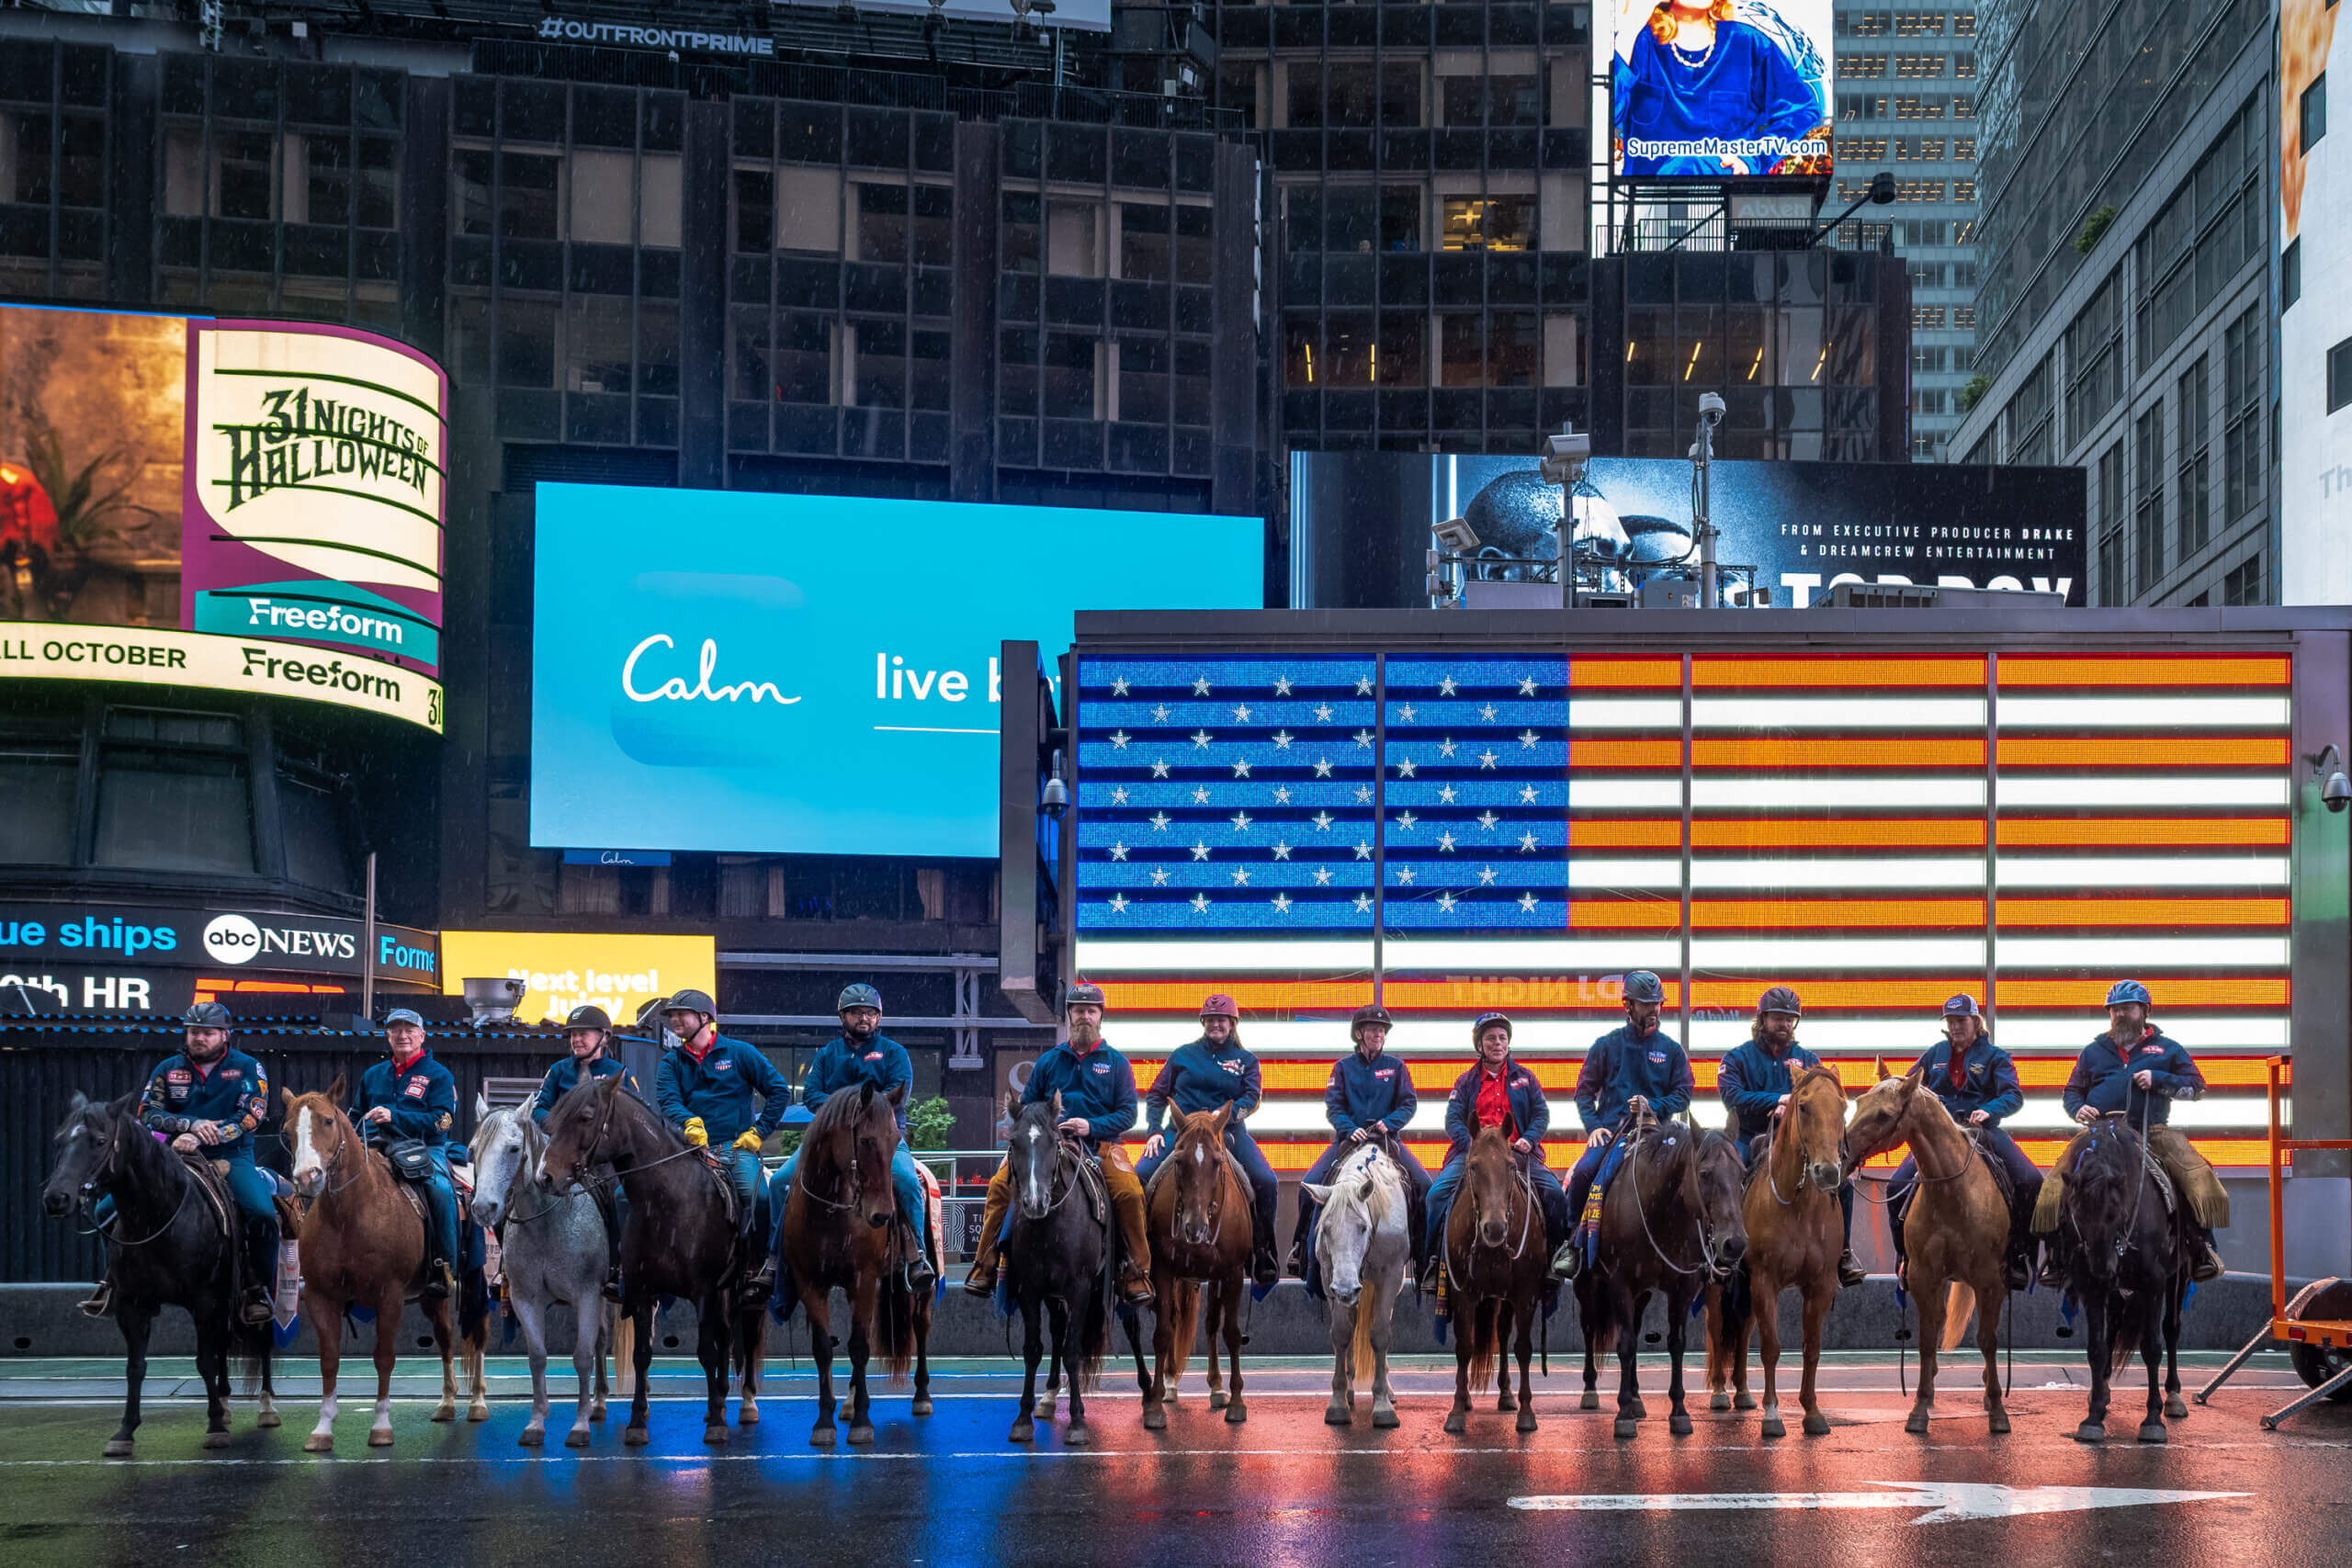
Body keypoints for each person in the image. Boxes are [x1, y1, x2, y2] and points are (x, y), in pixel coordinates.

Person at [81, 1003, 279, 1325]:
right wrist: (189, 1125)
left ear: (225, 1035)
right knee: (105, 1212)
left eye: (207, 1032)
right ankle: (116, 1281)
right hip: (173, 1154)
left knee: (262, 1214)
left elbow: (251, 1116)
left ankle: (257, 1288)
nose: (199, 1038)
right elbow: (148, 1112)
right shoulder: (168, 1069)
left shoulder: (247, 1067)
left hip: (230, 1156)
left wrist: (204, 1136)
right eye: (193, 1031)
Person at [963, 982, 1155, 1308]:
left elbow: (1128, 1114)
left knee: (1130, 1192)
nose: (1084, 1016)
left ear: (1100, 1017)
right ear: (1068, 1016)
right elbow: (1026, 1109)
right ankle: (985, 1264)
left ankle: (1136, 1271)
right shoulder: (1049, 1062)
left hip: (1103, 1146)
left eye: (1091, 1011)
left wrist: (1090, 1125)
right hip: (1050, 1146)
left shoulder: (1117, 1063)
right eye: (1078, 1010)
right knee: (998, 1186)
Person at [2036, 980, 2229, 1284]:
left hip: (2151, 1130)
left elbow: (2196, 1088)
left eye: (2127, 1009)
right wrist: (2078, 1109)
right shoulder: (2093, 1051)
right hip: (2099, 1133)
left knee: (2197, 1174)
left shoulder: (2168, 1049)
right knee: (2052, 1185)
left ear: (2144, 1011)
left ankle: (2202, 1248)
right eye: (2114, 1010)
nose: (2120, 1015)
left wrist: (2160, 1078)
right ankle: (2057, 1258)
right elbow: (2072, 1092)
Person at [768, 984, 935, 1291]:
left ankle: (916, 1255)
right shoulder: (827, 1054)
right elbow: (812, 1095)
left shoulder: (894, 1053)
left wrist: (858, 1110)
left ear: (879, 1017)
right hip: (831, 1137)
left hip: (880, 1139)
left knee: (908, 1182)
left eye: (870, 1013)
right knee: (780, 1182)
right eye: (857, 1012)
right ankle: (774, 1257)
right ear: (843, 1016)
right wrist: (843, 1112)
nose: (864, 1018)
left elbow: (898, 1092)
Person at [1889, 994, 2041, 1292]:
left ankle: (2019, 1257)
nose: (1956, 1027)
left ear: (1976, 1021)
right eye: (1950, 1021)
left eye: (1961, 1021)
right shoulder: (1934, 1054)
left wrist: (1990, 1110)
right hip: (1938, 1135)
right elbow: (1907, 1088)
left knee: (2031, 1181)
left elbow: (2014, 1096)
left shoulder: (1996, 1056)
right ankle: (1905, 1257)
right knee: (1896, 1186)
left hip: (1982, 1131)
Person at [1718, 987, 1866, 1287]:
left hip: (1799, 1144)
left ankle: (1844, 1254)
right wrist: (1777, 1100)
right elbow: (1731, 1096)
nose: (1785, 1025)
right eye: (1778, 1018)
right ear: (1762, 1019)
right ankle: (1720, 1254)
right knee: (1726, 1176)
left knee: (1843, 1184)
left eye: (1790, 1019)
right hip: (1750, 1135)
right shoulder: (1738, 1057)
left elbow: (1824, 1099)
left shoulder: (1808, 1059)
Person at [1554, 970, 1695, 1280]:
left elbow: (1684, 1094)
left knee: (1700, 1173)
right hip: (1614, 1131)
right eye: (1647, 1004)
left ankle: (1702, 1247)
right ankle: (1573, 1244)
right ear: (1628, 1005)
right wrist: (1593, 1126)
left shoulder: (1672, 1050)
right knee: (1584, 1174)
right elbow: (1584, 1093)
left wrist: (1653, 1105)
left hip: (1660, 1134)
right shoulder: (1606, 1045)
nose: (1654, 1010)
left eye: (1657, 1003)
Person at [1136, 994, 1281, 1287]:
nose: (1216, 1024)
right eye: (1211, 1019)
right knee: (1139, 1177)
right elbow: (1156, 1095)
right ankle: (1137, 1256)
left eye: (1222, 1020)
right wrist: (1153, 1130)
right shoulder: (1182, 1055)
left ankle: (1263, 1252)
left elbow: (1252, 1098)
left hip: (1227, 1133)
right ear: (1203, 1023)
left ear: (1232, 1024)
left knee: (1267, 1181)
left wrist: (1229, 1113)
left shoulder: (1246, 1060)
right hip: (1181, 1132)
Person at [1420, 1012, 1572, 1292]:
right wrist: (1473, 1146)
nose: (1497, 1043)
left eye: (1502, 1037)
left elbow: (1541, 1114)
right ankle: (1433, 1263)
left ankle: (1555, 1258)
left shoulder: (1525, 1078)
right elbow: (1453, 1119)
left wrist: (1529, 1138)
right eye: (1490, 1038)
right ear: (1479, 1044)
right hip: (1474, 1156)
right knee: (1436, 1196)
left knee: (1555, 1195)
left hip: (1517, 1155)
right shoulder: (1466, 1082)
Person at [654, 987, 788, 1298]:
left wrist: (758, 1132)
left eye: (680, 1014)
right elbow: (667, 1100)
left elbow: (779, 1091)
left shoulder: (740, 1053)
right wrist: (689, 1121)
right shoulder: (670, 1062)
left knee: (763, 1198)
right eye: (671, 1015)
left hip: (735, 1147)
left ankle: (759, 1266)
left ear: (704, 1018)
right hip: (688, 1150)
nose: (674, 1019)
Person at [1288, 1004, 1431, 1278]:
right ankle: (1301, 1251)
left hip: (1387, 1143)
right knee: (1309, 1186)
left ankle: (1425, 1261)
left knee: (1425, 1186)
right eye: (1372, 1030)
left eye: (1381, 1030)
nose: (1377, 1034)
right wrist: (1348, 1127)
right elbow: (1333, 1106)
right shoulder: (1342, 1068)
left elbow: (1408, 1104)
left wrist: (1388, 1123)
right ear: (1359, 1034)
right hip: (1348, 1142)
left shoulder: (1396, 1067)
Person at [1611, 0, 1830, 176]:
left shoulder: (1749, 44)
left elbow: (1804, 109)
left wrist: (1752, 158)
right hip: (1650, 204)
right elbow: (1607, 116)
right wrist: (1631, 27)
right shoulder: (1641, 43)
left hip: (1725, 199)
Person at [349, 1008, 461, 1301]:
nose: (403, 1035)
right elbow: (354, 1115)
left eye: (409, 1029)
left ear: (422, 1035)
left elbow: (443, 1121)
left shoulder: (438, 1075)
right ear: (387, 1036)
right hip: (375, 1147)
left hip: (424, 1148)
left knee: (440, 1191)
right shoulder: (372, 1075)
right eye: (395, 1030)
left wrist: (395, 1116)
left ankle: (446, 1269)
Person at [530, 1004, 640, 1302]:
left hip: (602, 1161)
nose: (576, 1039)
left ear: (603, 1037)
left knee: (622, 1198)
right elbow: (538, 1109)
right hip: (563, 1154)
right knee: (524, 1191)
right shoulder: (558, 1072)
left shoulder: (618, 1074)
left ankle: (619, 1268)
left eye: (583, 1034)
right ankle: (513, 1269)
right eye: (572, 1034)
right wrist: (562, 1126)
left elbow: (632, 1116)